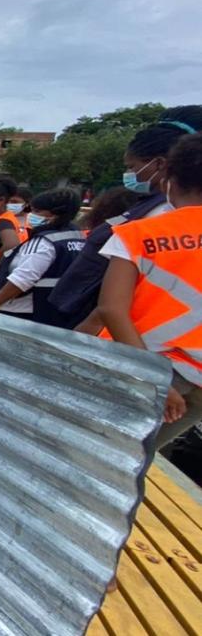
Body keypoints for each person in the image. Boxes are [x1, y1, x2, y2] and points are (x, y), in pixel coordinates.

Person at [50, 106, 202, 331]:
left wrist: (81, 336)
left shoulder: (160, 216)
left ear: (160, 164)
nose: (131, 174)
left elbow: (113, 306)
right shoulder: (148, 207)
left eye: (132, 167)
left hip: (128, 339)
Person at [97, 132, 202, 447]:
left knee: (102, 457)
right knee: (138, 458)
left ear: (168, 174)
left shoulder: (139, 234)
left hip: (145, 368)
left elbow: (111, 309)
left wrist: (154, 380)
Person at [0, 188, 85, 326]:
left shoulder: (45, 241)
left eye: (38, 212)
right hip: (54, 309)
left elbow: (22, 279)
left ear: (55, 215)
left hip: (21, 310)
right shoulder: (77, 236)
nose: (31, 215)